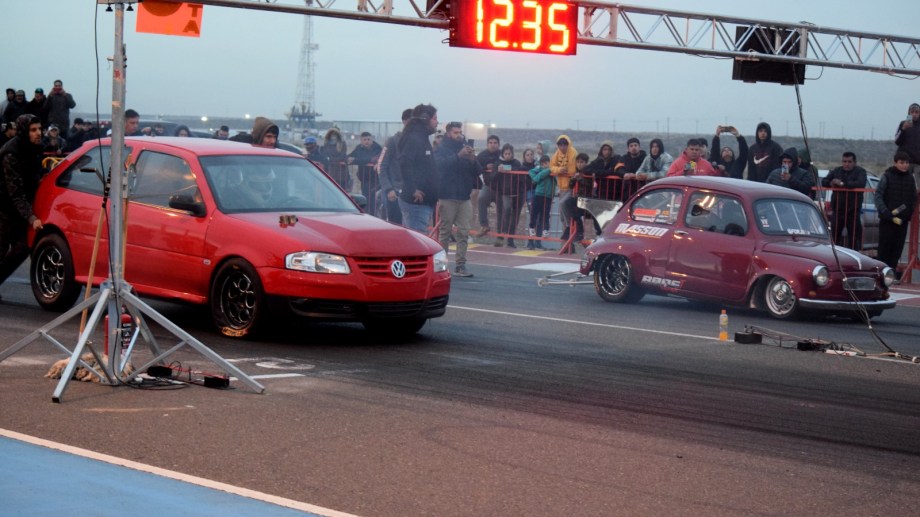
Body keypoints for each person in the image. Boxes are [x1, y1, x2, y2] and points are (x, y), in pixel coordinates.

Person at [0, 114, 44, 293]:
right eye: (33, 130)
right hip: (4, 207)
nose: (38, 133)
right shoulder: (11, 153)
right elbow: (15, 192)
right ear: (24, 131)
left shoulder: (34, 148)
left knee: (22, 248)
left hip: (19, 209)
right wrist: (31, 217)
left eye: (39, 129)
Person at [435, 121, 481, 277]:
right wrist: (458, 156)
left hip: (464, 196)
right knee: (445, 232)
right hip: (447, 195)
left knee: (464, 232)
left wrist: (473, 159)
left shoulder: (465, 147)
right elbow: (439, 166)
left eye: (460, 132)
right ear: (448, 133)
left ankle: (460, 265)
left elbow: (478, 171)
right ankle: (441, 266)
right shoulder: (442, 148)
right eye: (455, 132)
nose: (459, 135)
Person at [397, 103, 439, 233]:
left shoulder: (421, 137)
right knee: (416, 239)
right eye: (435, 118)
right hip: (416, 204)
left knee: (413, 239)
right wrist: (412, 189)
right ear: (425, 118)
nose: (437, 122)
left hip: (423, 203)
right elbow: (404, 162)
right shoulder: (414, 138)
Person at [874, 151, 918, 275]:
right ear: (895, 163)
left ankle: (891, 274)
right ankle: (881, 274)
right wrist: (886, 212)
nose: (905, 165)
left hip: (902, 221)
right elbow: (878, 196)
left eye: (906, 163)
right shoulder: (887, 176)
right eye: (902, 162)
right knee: (884, 248)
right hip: (887, 220)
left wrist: (908, 213)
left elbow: (913, 198)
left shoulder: (910, 178)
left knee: (897, 249)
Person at [821, 152, 867, 250]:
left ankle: (854, 256)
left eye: (849, 162)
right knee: (834, 238)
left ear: (854, 162)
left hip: (853, 211)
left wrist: (842, 184)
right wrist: (831, 182)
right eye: (844, 161)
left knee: (854, 239)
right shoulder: (836, 171)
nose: (846, 164)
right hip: (838, 210)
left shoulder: (860, 172)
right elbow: (824, 181)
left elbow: (860, 183)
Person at [376, 108, 411, 224]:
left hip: (412, 194)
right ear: (405, 121)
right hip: (395, 193)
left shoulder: (419, 142)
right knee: (395, 225)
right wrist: (388, 189)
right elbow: (381, 165)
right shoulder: (392, 141)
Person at [494, 143, 525, 248]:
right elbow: (493, 177)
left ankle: (510, 239)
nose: (507, 155)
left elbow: (519, 170)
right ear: (502, 154)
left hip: (517, 193)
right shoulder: (498, 163)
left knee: (515, 217)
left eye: (509, 153)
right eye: (505, 154)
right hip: (505, 193)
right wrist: (499, 171)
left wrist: (507, 169)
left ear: (512, 154)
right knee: (506, 210)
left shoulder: (516, 162)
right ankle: (503, 233)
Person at [550, 135, 578, 244]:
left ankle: (570, 231)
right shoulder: (556, 154)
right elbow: (552, 167)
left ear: (568, 144)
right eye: (560, 145)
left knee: (565, 207)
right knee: (562, 214)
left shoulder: (573, 153)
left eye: (564, 144)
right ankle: (567, 243)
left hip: (572, 187)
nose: (562, 147)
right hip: (561, 188)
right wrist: (559, 169)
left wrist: (562, 171)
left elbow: (572, 170)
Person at [348, 131, 383, 216]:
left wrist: (356, 160)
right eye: (365, 140)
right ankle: (366, 214)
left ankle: (373, 214)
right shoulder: (359, 148)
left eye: (368, 139)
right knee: (365, 196)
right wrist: (351, 159)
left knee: (372, 198)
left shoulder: (377, 148)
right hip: (363, 177)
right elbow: (350, 156)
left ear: (372, 140)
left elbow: (372, 159)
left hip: (374, 178)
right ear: (361, 141)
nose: (367, 141)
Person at [476, 134, 502, 236]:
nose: (493, 145)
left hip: (501, 187)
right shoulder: (481, 155)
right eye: (490, 143)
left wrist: (496, 167)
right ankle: (484, 225)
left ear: (498, 144)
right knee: (481, 199)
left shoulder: (502, 154)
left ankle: (500, 234)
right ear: (487, 144)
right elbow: (476, 167)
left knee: (501, 210)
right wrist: (485, 167)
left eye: (495, 143)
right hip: (488, 185)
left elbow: (511, 164)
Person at [527, 154, 554, 250]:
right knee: (534, 213)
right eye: (543, 164)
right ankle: (531, 228)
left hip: (548, 196)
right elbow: (533, 177)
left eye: (547, 163)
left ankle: (545, 229)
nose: (545, 165)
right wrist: (546, 171)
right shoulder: (539, 170)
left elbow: (556, 181)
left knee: (546, 214)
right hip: (539, 194)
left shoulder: (552, 171)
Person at [895, 102, 920, 186]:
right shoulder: (903, 124)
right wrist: (903, 129)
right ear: (909, 113)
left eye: (916, 112)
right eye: (912, 112)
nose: (914, 114)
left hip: (918, 162)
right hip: (905, 162)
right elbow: (897, 141)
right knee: (903, 185)